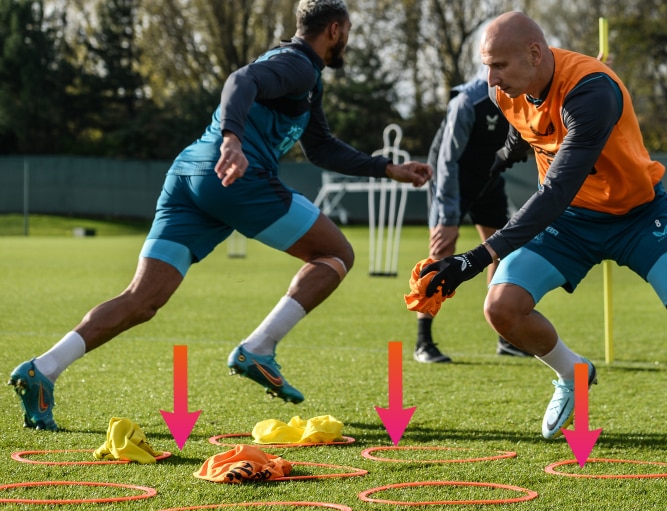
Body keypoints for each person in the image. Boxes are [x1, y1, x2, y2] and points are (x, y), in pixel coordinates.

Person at [7, 0, 432, 431]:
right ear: (336, 30)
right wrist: (233, 140)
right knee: (335, 253)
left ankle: (43, 369)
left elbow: (320, 147)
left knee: (143, 299)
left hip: (190, 176)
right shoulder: (298, 64)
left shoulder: (305, 80)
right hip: (235, 177)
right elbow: (240, 79)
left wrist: (385, 168)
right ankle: (259, 348)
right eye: (349, 32)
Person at [419, 11, 667, 454]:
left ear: (535, 53)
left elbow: (557, 190)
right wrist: (507, 152)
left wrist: (475, 258)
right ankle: (572, 373)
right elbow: (528, 128)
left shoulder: (593, 90)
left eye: (498, 65)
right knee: (502, 308)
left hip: (635, 216)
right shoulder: (503, 89)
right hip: (572, 223)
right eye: (486, 64)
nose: (490, 77)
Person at [413, 68, 531, 363]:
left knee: (504, 250)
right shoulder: (468, 102)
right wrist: (448, 218)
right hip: (451, 181)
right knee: (441, 251)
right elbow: (447, 161)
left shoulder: (524, 94)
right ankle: (423, 342)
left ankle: (506, 338)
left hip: (488, 179)